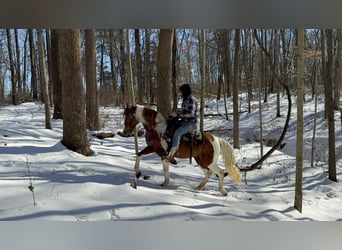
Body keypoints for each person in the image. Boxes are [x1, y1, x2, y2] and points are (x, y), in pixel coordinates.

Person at [165, 83, 198, 162]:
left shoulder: (192, 99)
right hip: (183, 121)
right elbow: (184, 110)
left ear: (186, 91)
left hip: (191, 124)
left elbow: (190, 113)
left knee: (178, 132)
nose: (181, 93)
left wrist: (178, 114)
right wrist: (175, 112)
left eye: (182, 92)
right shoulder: (185, 99)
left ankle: (172, 154)